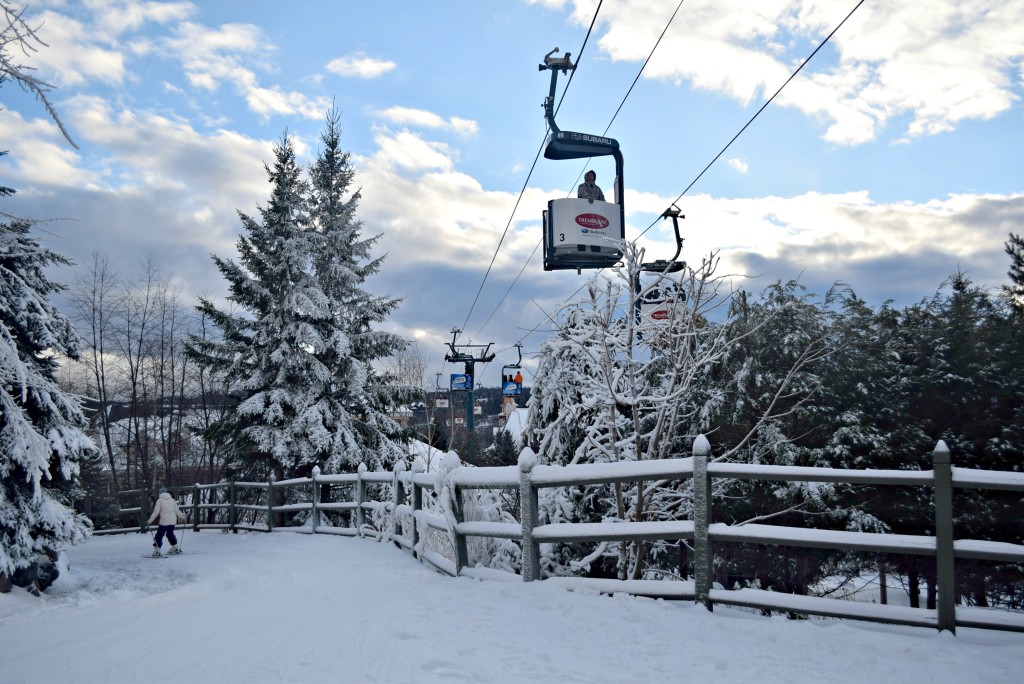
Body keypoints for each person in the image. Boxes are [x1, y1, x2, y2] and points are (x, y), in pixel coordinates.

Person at [148, 487, 185, 556]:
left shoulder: (159, 500)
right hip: (173, 521)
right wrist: (182, 517)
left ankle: (157, 550)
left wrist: (149, 521)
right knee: (170, 533)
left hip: (164, 522)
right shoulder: (172, 500)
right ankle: (175, 547)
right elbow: (177, 510)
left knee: (159, 535)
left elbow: (156, 512)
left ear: (160, 493)